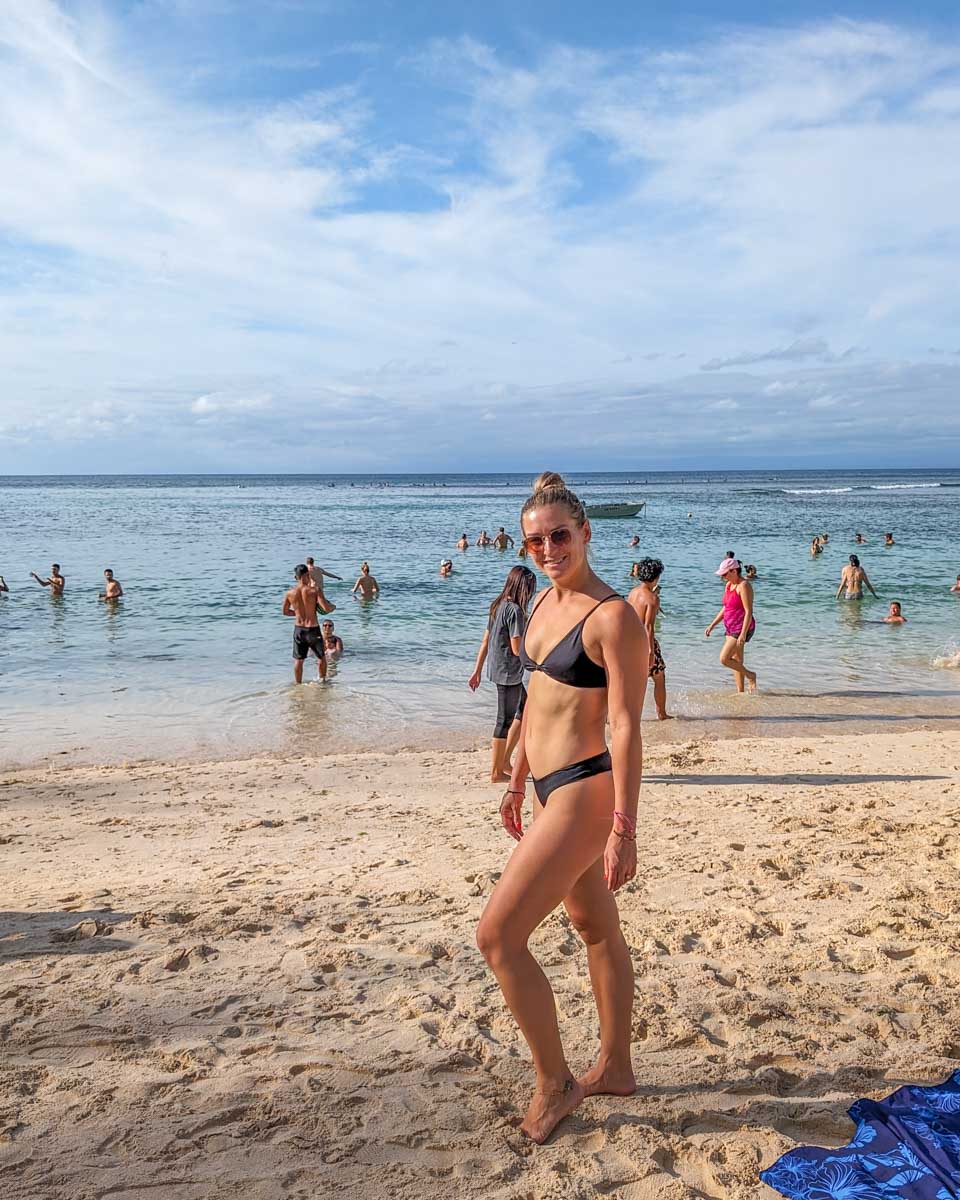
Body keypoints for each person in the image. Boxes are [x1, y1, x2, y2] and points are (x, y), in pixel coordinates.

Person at [476, 472, 647, 1144]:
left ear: (585, 533)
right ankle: (617, 1065)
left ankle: (557, 1083)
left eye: (559, 535)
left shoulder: (613, 618)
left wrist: (624, 827)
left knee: (498, 937)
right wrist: (518, 778)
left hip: (584, 792)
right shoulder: (544, 604)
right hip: (547, 790)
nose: (548, 547)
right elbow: (534, 698)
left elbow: (628, 726)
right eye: (536, 539)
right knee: (596, 930)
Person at [468, 565, 537, 783]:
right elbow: (518, 649)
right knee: (504, 720)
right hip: (508, 671)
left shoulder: (497, 605)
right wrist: (539, 657)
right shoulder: (515, 610)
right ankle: (496, 772)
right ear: (523, 587)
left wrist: (477, 670)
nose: (532, 593)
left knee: (524, 708)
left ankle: (505, 762)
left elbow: (486, 640)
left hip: (498, 668)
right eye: (531, 588)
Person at [627, 558, 671, 721]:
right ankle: (662, 714)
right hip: (645, 643)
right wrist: (651, 651)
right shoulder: (652, 599)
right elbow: (649, 627)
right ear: (656, 577)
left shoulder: (633, 593)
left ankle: (616, 714)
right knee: (659, 678)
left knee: (630, 681)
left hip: (629, 641)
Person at [705, 558, 757, 692]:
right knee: (736, 661)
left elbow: (748, 611)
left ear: (734, 571)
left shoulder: (743, 586)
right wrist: (712, 625)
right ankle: (741, 692)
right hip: (730, 627)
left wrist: (743, 634)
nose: (723, 577)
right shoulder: (728, 585)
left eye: (725, 574)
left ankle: (750, 675)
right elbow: (726, 608)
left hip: (742, 628)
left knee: (724, 658)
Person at [283, 564, 326, 683]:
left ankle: (298, 684)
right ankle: (322, 682)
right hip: (313, 629)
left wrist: (297, 614)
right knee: (321, 657)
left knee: (299, 660)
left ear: (295, 577)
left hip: (299, 629)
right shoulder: (315, 591)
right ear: (307, 575)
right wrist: (333, 607)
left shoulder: (290, 593)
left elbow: (285, 612)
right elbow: (325, 608)